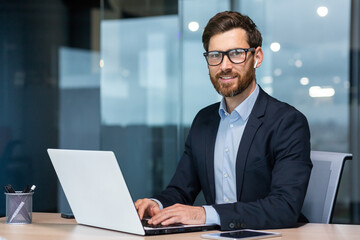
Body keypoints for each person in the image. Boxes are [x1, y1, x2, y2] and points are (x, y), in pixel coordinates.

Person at [135, 11, 312, 230]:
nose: (224, 65)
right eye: (215, 55)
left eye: (236, 53)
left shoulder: (288, 122)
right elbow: (180, 190)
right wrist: (157, 204)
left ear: (257, 57)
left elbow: (284, 207)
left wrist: (204, 214)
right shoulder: (203, 121)